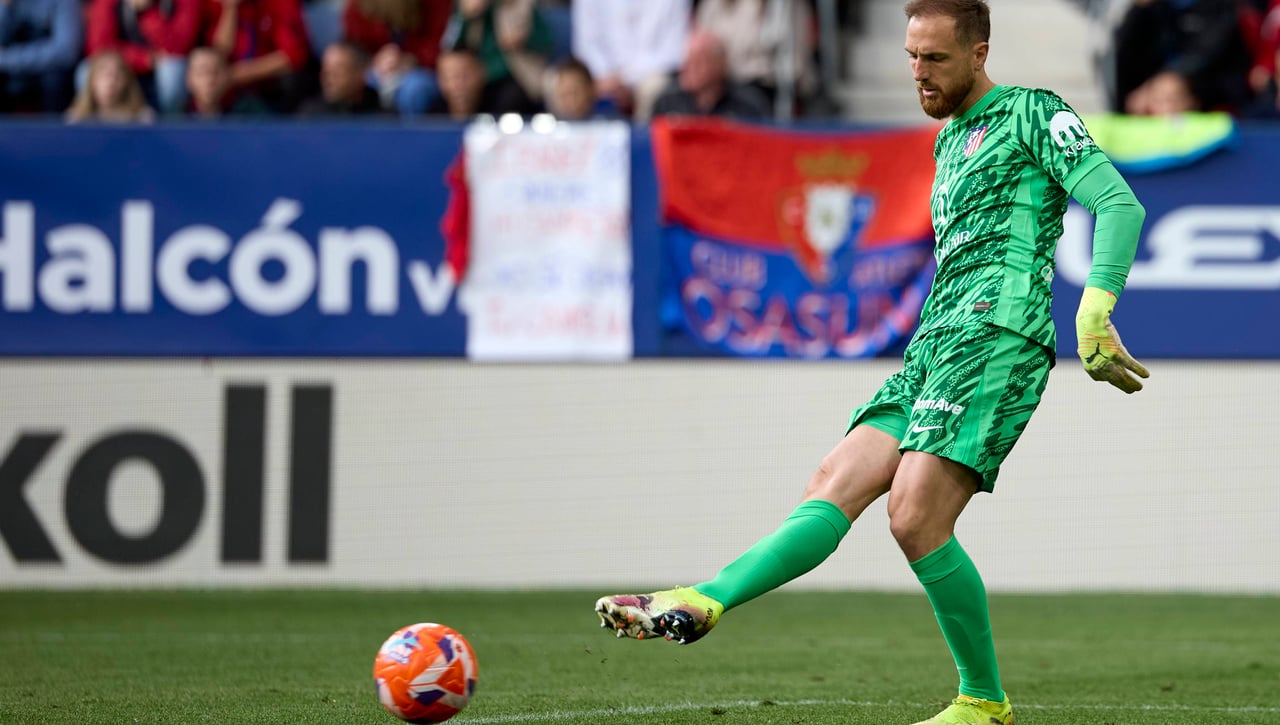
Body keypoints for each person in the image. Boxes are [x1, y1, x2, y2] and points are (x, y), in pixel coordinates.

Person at [594, 2, 1150, 724]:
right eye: (911, 56)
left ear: (979, 53)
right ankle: (706, 598)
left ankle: (983, 700)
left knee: (914, 514)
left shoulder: (1031, 111)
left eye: (936, 59)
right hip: (934, 341)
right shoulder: (948, 140)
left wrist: (1094, 305)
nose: (919, 72)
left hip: (997, 334)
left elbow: (1119, 203)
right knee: (835, 479)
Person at [1110, 0, 1252, 115]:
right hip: (1145, 104)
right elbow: (1125, 53)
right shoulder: (1155, 9)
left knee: (1168, 89)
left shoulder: (1221, 7)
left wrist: (1162, 86)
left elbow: (1207, 52)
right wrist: (1138, 10)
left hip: (1214, 105)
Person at [571, 0, 689, 121]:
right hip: (601, 76)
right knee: (569, 84)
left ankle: (643, 137)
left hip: (649, 74)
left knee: (653, 88)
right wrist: (604, 75)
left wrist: (627, 79)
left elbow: (673, 51)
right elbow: (587, 45)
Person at [84, 0, 200, 115]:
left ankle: (171, 125)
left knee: (172, 72)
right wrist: (144, 59)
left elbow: (178, 46)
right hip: (127, 63)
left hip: (163, 66)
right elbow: (101, 47)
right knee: (85, 72)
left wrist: (146, 11)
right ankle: (94, 125)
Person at [341, 0, 452, 116]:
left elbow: (442, 45)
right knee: (351, 79)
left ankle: (412, 132)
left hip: (423, 69)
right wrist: (376, 61)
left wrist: (412, 59)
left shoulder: (436, 3)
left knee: (414, 88)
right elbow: (354, 45)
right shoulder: (358, 5)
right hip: (374, 67)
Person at [200, 0, 312, 112]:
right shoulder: (210, 4)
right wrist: (230, 8)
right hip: (223, 88)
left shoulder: (279, 3)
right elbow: (219, 53)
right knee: (204, 76)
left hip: (266, 88)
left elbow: (294, 55)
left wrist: (236, 75)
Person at [651, 29, 770, 119]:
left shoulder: (748, 105)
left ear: (720, 64)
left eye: (697, 62)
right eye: (686, 61)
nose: (687, 68)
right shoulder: (667, 103)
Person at [0, 0, 83, 112]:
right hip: (13, 70)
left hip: (49, 68)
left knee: (54, 79)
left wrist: (8, 59)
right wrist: (4, 8)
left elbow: (66, 50)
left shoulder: (64, 2)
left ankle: (54, 129)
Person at [65, 48, 155, 121]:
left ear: (127, 81)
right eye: (104, 75)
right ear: (92, 81)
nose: (111, 81)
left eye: (117, 76)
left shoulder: (140, 117)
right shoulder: (78, 118)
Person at [298, 40, 385, 115]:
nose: (328, 78)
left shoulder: (384, 120)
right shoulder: (311, 117)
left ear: (360, 74)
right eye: (325, 70)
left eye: (337, 71)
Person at [184, 45, 269, 116]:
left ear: (227, 76)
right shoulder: (175, 117)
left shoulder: (249, 113)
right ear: (189, 78)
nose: (210, 79)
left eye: (216, 72)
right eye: (201, 72)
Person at [544, 55, 598, 121]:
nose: (570, 101)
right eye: (563, 95)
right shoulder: (544, 126)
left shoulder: (608, 122)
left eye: (574, 92)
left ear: (590, 90)